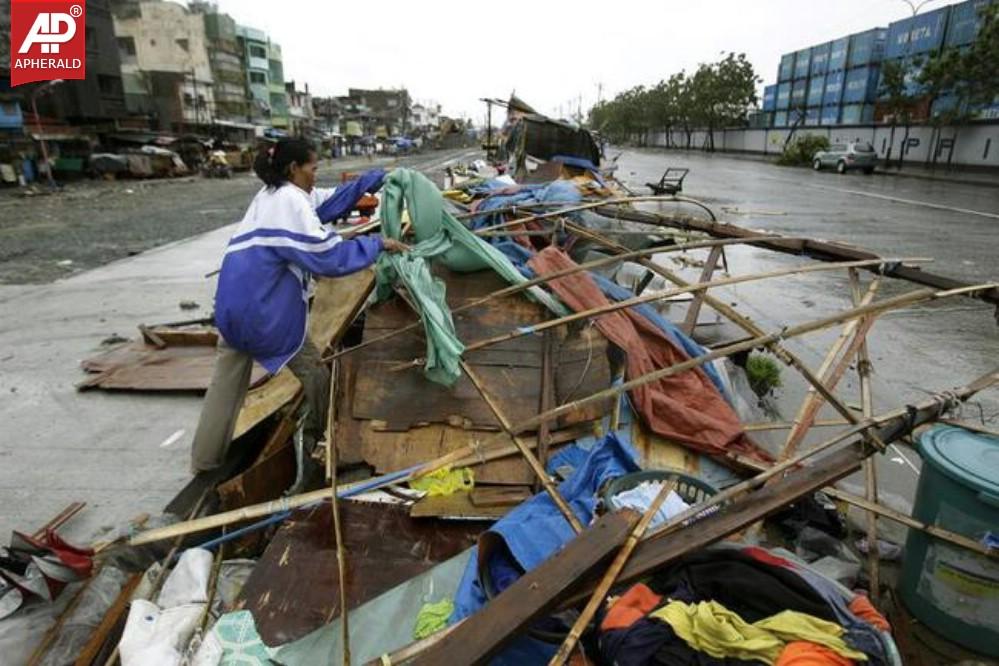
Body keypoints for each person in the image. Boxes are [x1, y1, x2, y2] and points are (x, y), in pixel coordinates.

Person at [191, 138, 406, 482]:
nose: (314, 174)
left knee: (225, 389)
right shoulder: (290, 201)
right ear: (294, 168)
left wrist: (370, 181)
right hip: (262, 313)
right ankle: (322, 443)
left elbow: (327, 201)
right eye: (313, 168)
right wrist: (375, 244)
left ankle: (204, 461)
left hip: (231, 306)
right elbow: (326, 256)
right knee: (317, 376)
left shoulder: (271, 196)